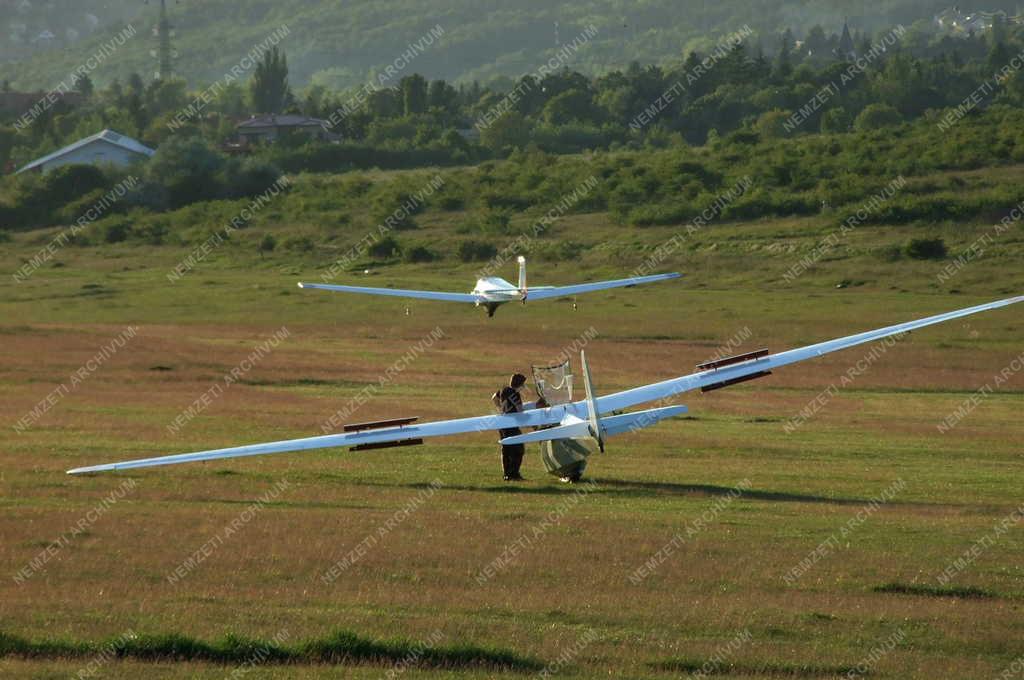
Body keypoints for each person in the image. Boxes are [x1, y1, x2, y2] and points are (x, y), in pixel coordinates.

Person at [493, 373, 528, 481]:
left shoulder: (504, 389)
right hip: (511, 425)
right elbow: (519, 410)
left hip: (502, 423)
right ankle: (514, 474)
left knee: (506, 449)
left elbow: (494, 398)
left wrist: (501, 408)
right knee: (518, 449)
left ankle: (506, 474)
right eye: (523, 385)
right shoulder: (515, 394)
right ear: (520, 385)